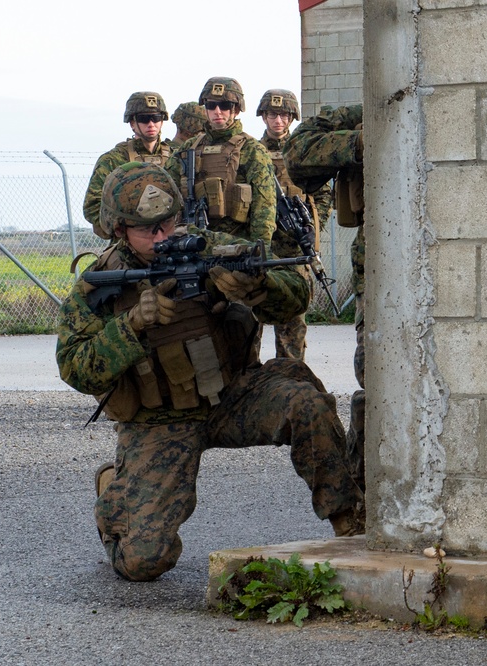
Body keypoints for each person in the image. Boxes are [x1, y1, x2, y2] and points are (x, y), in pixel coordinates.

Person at [56, 162, 365, 582]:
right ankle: (116, 492)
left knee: (306, 404)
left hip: (233, 396)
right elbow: (75, 368)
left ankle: (349, 521)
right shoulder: (99, 283)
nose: (163, 237)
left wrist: (259, 289)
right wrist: (129, 327)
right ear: (118, 229)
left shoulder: (211, 248)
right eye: (149, 230)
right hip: (159, 422)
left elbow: (297, 291)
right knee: (142, 563)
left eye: (168, 223)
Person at [283, 104, 365, 492]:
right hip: (381, 272)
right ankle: (364, 491)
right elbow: (297, 154)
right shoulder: (360, 114)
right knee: (377, 378)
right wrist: (362, 141)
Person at [256, 88, 332, 360]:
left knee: (292, 326)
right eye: (273, 114)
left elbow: (323, 194)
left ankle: (291, 379)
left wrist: (313, 226)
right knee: (248, 322)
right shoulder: (254, 152)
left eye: (284, 115)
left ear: (292, 117)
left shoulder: (300, 152)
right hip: (262, 248)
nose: (278, 120)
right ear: (264, 116)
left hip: (295, 252)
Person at [163, 77, 276, 246]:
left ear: (236, 110)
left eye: (225, 106)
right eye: (211, 105)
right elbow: (166, 189)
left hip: (236, 246)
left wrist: (259, 250)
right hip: (192, 243)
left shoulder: (252, 150)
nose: (217, 111)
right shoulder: (188, 149)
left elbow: (264, 208)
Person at [83, 92, 172, 236]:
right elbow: (92, 206)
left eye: (156, 118)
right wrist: (128, 227)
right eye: (144, 119)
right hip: (129, 242)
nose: (151, 124)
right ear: (132, 123)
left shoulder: (177, 156)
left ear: (162, 121)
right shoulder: (113, 160)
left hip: (170, 238)